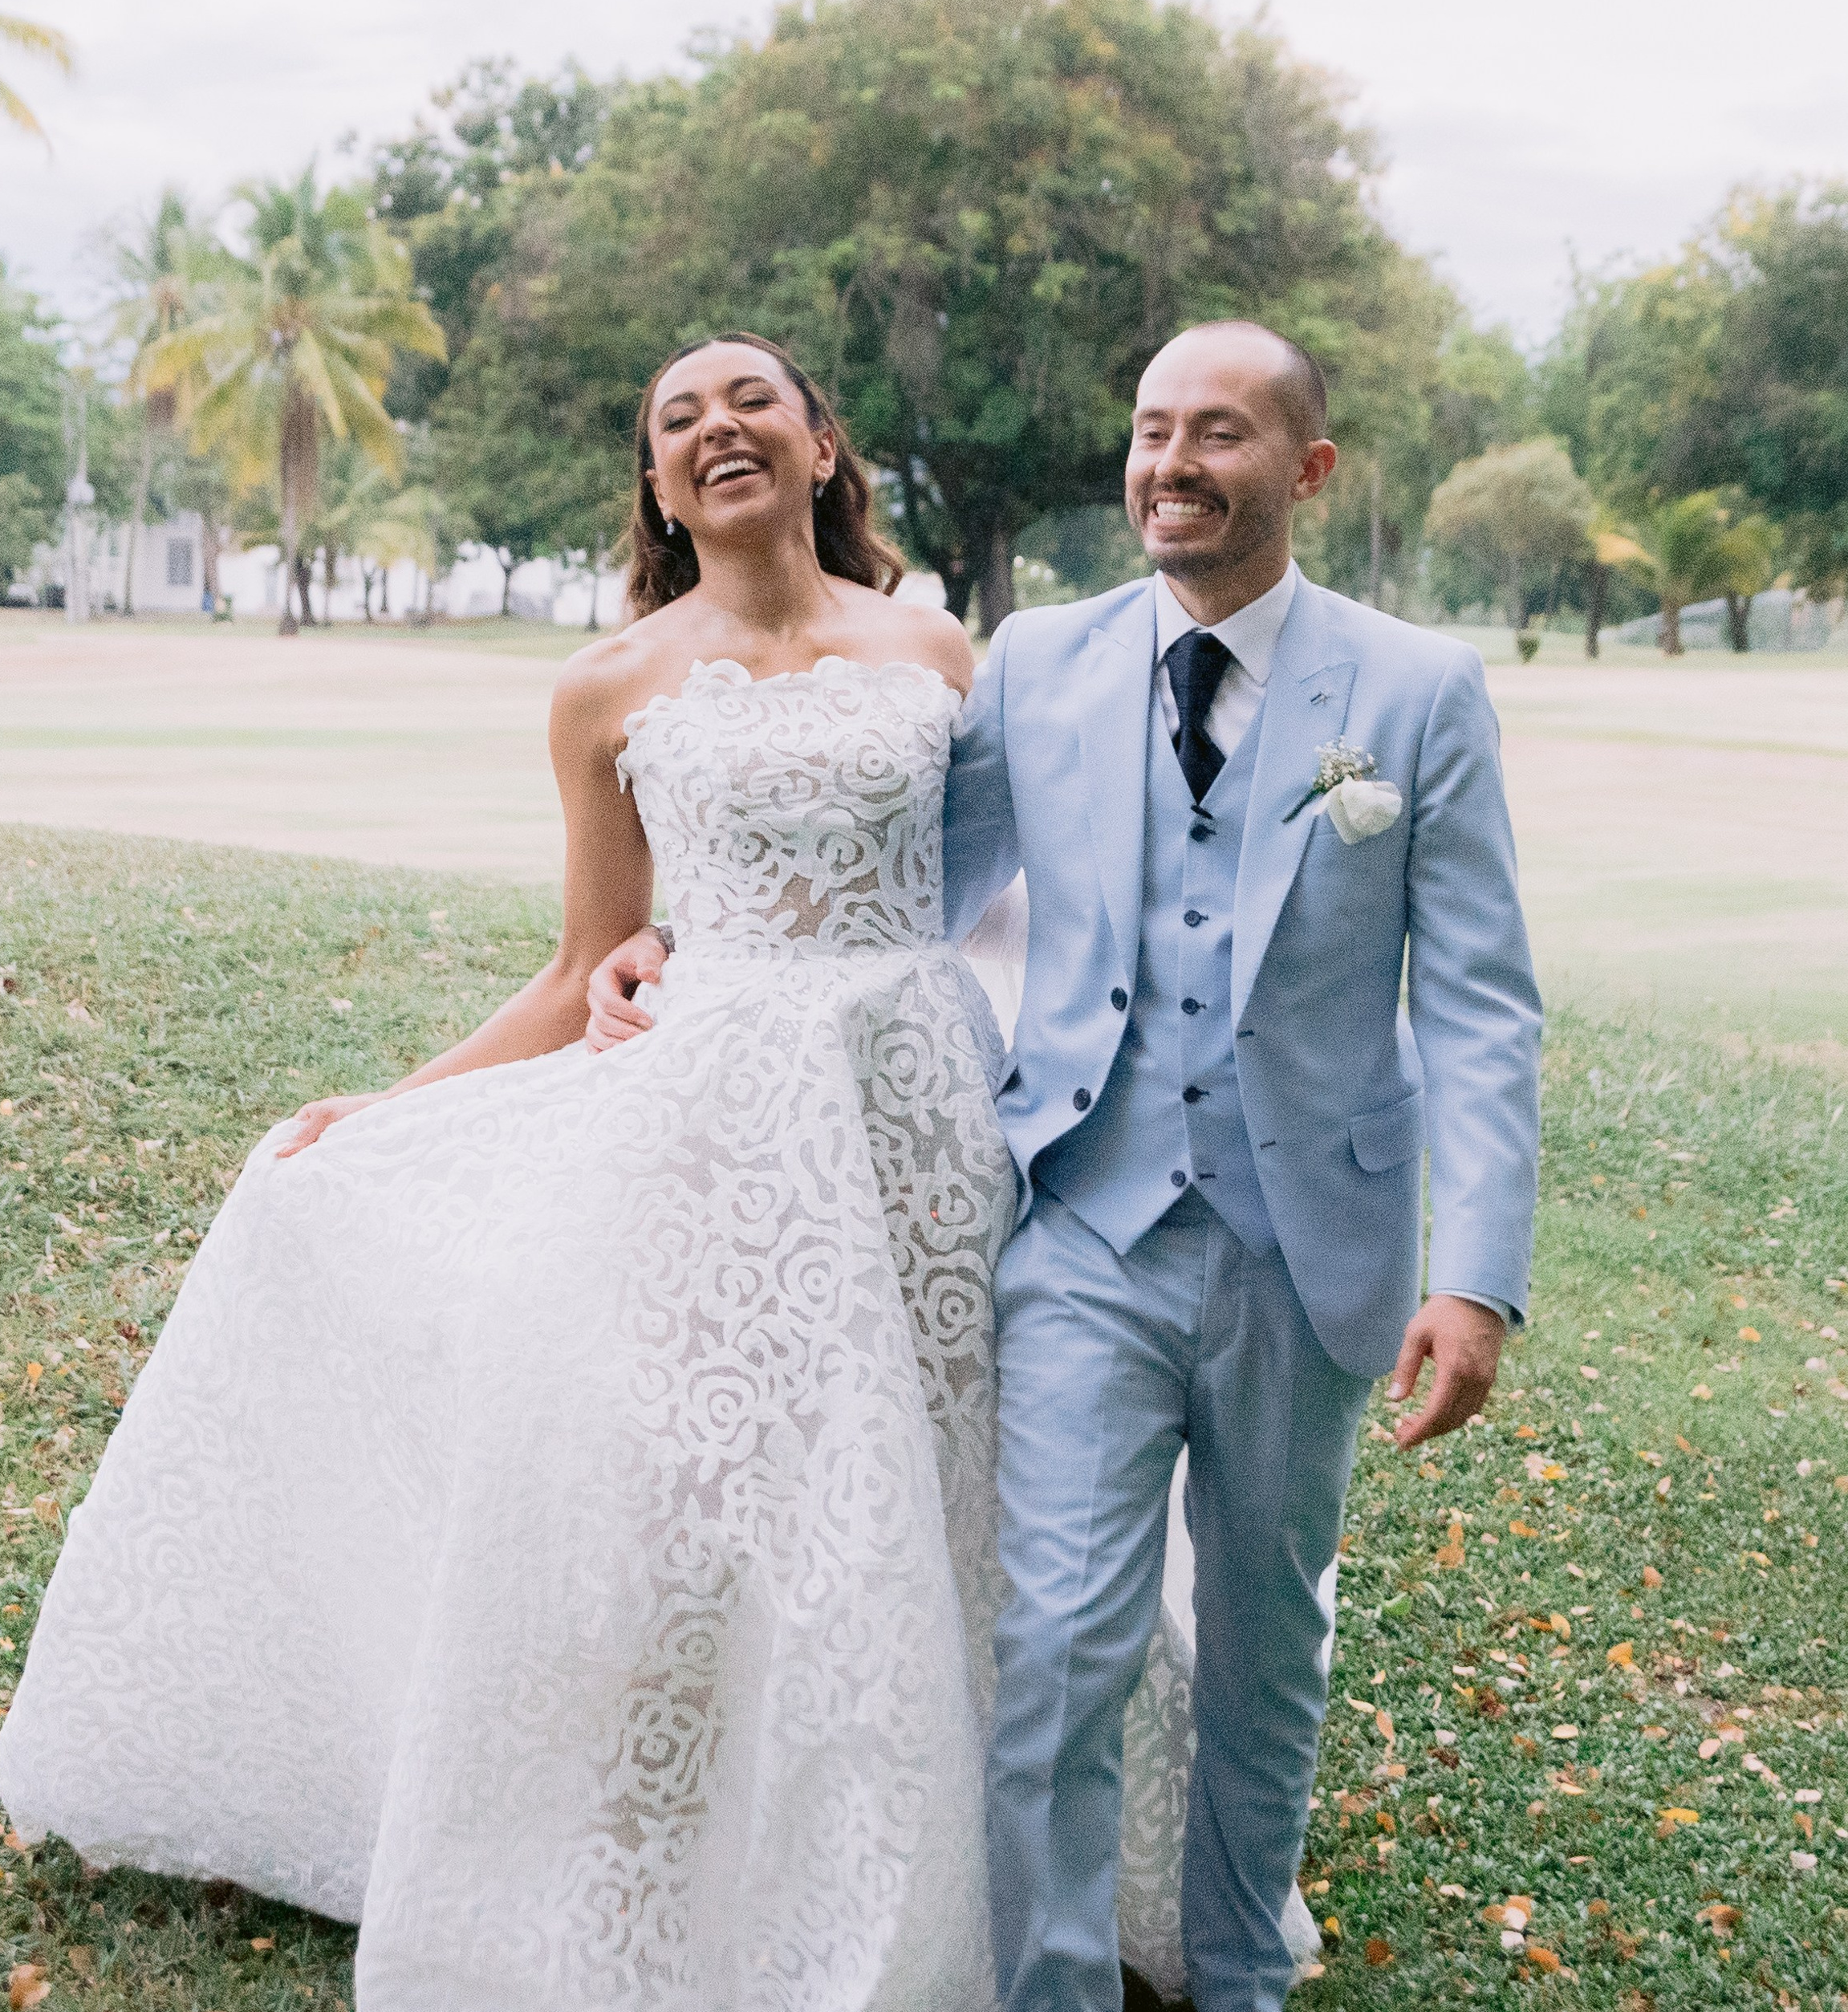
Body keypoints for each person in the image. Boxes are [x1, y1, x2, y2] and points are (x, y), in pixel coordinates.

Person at [0, 331, 1211, 2010]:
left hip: (913, 1125)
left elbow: (992, 891)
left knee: (937, 1487)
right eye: (676, 421)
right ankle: (682, 1878)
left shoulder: (935, 651)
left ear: (817, 444)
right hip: (706, 1139)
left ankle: (979, 1875)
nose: (717, 429)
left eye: (749, 402)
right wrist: (387, 1106)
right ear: (657, 483)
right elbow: (583, 964)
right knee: (703, 1502)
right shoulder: (606, 684)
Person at [589, 321, 1542, 2012]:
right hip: (1079, 1228)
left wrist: (1471, 1273)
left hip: (1305, 1242)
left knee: (1264, 1642)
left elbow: (1473, 1004)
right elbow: (894, 874)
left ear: (1303, 469)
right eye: (1150, 429)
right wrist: (674, 936)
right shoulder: (1036, 663)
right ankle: (1048, 1988)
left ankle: (1238, 1971)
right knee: (1056, 1645)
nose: (1171, 463)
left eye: (1220, 434)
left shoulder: (1412, 691)